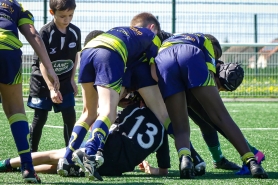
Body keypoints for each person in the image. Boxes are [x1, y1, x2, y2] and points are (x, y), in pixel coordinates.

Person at [57, 12, 162, 180]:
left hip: (88, 51)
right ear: (152, 28)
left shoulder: (124, 31)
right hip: (110, 53)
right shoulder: (152, 36)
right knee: (108, 112)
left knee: (89, 113)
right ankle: (90, 153)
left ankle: (67, 159)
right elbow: (153, 72)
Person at [152, 32, 268, 179]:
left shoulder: (170, 38)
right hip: (190, 55)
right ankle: (252, 161)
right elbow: (210, 75)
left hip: (163, 60)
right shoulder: (204, 41)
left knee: (180, 126)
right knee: (221, 116)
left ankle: (185, 159)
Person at [0, 103, 171, 178]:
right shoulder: (164, 134)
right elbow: (163, 172)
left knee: (56, 155)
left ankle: (7, 163)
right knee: (59, 166)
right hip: (115, 168)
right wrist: (151, 169)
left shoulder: (137, 110)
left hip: (104, 151)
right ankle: (23, 169)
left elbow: (111, 122)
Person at [0, 0, 60, 183]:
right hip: (7, 50)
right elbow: (33, 34)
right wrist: (49, 68)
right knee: (16, 110)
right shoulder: (14, 5)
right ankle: (27, 167)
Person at [27, 0, 81, 152]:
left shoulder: (75, 31)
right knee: (40, 117)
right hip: (43, 81)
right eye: (63, 16)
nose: (67, 19)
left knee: (70, 115)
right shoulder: (45, 32)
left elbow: (74, 56)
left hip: (64, 80)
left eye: (70, 15)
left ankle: (70, 154)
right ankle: (31, 154)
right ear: (52, 13)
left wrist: (72, 79)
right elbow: (42, 63)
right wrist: (51, 88)